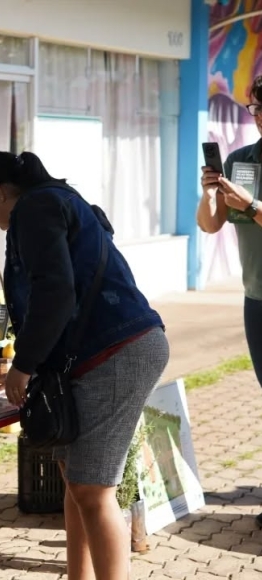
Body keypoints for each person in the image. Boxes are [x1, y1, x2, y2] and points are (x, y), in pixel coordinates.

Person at [0, 151, 168, 580]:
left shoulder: (35, 208)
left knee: (92, 490)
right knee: (74, 479)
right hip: (104, 350)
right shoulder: (57, 201)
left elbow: (55, 292)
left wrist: (24, 365)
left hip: (116, 351)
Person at [198, 74, 262, 527]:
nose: (257, 118)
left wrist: (253, 205)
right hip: (256, 299)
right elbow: (211, 225)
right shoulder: (243, 160)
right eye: (255, 110)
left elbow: (251, 211)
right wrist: (210, 193)